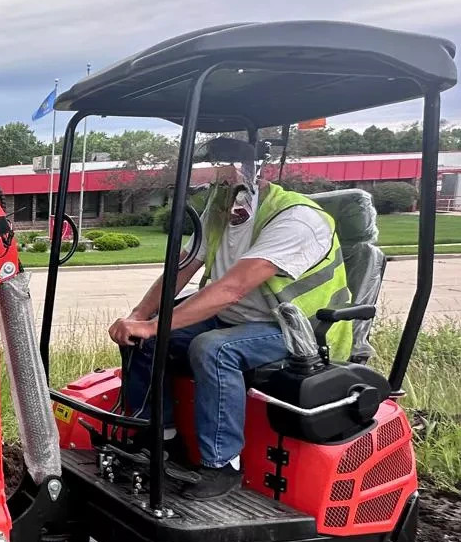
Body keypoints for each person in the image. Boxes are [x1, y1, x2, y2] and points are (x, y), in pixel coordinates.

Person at [108, 138, 351, 499]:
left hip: (299, 333)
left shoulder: (295, 219)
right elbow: (184, 266)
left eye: (226, 178)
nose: (220, 187)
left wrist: (152, 322)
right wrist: (140, 318)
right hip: (237, 320)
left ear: (252, 175)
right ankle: (157, 441)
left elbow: (232, 288)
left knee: (214, 349)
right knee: (145, 339)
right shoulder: (220, 210)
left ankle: (222, 466)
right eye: (217, 179)